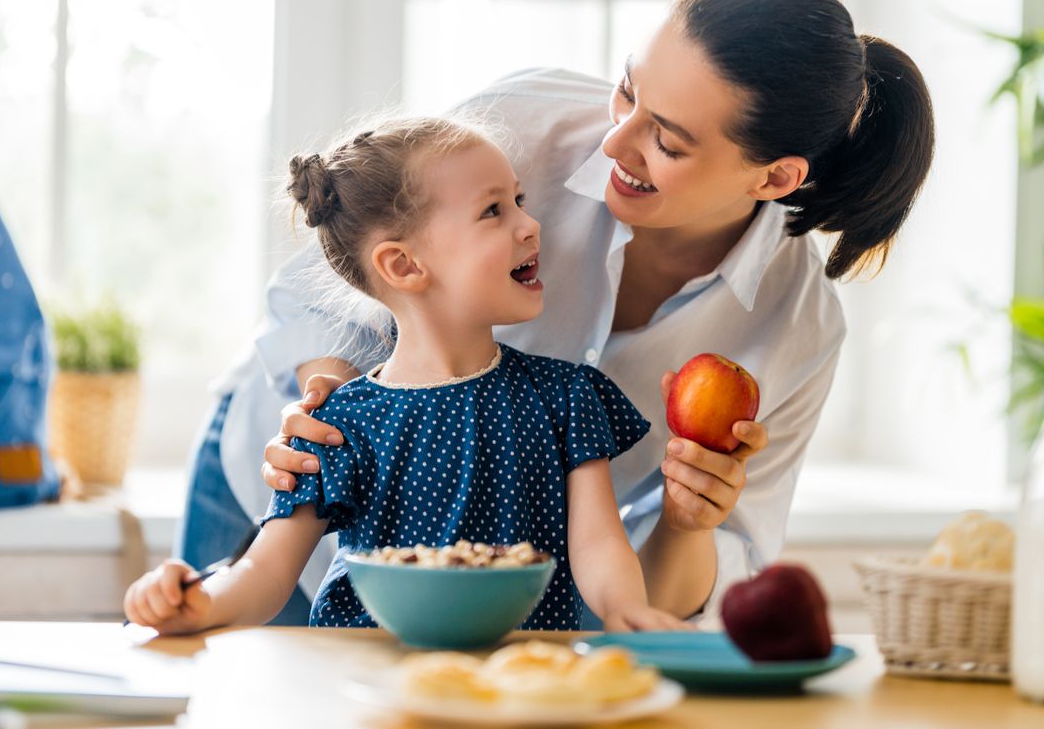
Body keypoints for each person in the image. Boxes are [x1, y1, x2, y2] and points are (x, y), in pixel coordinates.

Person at [198, 0, 936, 626]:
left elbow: (679, 581)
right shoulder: (517, 131)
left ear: (774, 178)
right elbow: (327, 268)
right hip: (272, 498)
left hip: (484, 603)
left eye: (668, 143)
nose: (616, 142)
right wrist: (326, 416)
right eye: (627, 88)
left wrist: (686, 522)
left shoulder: (794, 329)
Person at [128, 117, 692, 634]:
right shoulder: (336, 424)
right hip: (362, 681)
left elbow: (595, 540)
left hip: (515, 681)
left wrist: (626, 608)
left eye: (518, 200)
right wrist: (197, 601)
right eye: (494, 210)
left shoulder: (567, 396)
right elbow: (264, 573)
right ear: (403, 265)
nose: (531, 225)